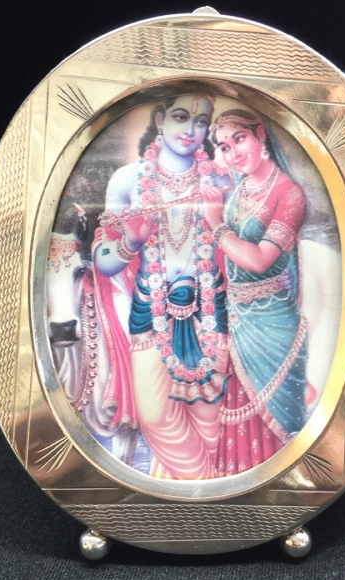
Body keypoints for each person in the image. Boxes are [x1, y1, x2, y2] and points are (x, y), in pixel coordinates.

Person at [92, 94, 232, 479]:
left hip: (210, 308)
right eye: (180, 117)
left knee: (209, 419)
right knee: (154, 416)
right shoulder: (128, 180)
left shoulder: (221, 181)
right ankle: (202, 493)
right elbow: (103, 262)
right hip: (150, 310)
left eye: (201, 122)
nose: (191, 130)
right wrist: (130, 242)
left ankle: (191, 502)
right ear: (159, 120)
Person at [202, 109, 316, 476]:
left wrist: (216, 224)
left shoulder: (290, 194)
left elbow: (259, 260)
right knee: (240, 429)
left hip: (273, 327)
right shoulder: (238, 190)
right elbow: (227, 261)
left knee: (279, 424)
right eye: (225, 146)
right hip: (239, 325)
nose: (234, 152)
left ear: (260, 134)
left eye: (240, 139)